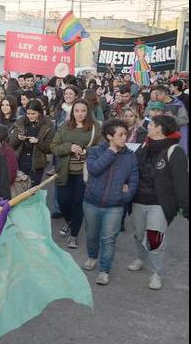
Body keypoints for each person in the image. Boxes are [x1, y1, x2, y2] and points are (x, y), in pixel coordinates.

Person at [128, 115, 189, 290]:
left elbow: (182, 182)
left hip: (160, 203)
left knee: (155, 238)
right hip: (138, 199)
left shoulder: (175, 151)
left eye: (152, 124)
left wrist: (186, 207)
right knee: (139, 235)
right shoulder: (145, 144)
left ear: (160, 128)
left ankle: (157, 273)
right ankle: (141, 258)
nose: (148, 126)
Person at [81, 120, 139, 285]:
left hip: (115, 206)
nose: (124, 138)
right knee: (92, 235)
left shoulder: (130, 156)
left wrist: (123, 198)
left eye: (125, 134)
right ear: (109, 136)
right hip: (92, 202)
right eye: (120, 135)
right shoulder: (95, 151)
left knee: (108, 238)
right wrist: (111, 152)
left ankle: (104, 270)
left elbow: (133, 182)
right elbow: (94, 170)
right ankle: (92, 257)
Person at [50, 99, 102, 249]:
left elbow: (102, 147)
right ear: (72, 112)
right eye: (77, 111)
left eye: (83, 111)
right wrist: (69, 147)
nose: (80, 114)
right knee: (63, 201)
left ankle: (73, 235)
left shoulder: (95, 127)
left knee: (78, 203)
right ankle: (69, 221)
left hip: (84, 173)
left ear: (88, 112)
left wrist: (88, 151)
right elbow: (54, 147)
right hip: (64, 171)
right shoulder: (64, 127)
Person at [10, 100, 54, 185]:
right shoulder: (20, 123)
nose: (30, 116)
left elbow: (49, 149)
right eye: (28, 113)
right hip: (21, 160)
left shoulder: (48, 125)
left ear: (39, 113)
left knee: (34, 189)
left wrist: (38, 141)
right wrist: (19, 138)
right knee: (20, 187)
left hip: (37, 163)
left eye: (33, 114)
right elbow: (12, 144)